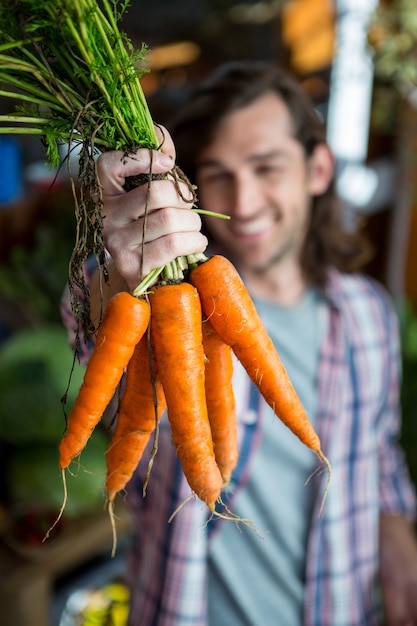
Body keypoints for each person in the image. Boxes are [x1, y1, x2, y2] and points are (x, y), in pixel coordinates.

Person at [62, 61, 417, 625]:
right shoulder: (170, 303)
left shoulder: (368, 312)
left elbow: (378, 446)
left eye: (266, 167)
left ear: (318, 168)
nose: (245, 201)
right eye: (221, 174)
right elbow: (89, 329)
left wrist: (395, 523)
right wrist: (118, 272)